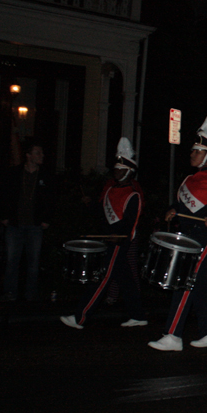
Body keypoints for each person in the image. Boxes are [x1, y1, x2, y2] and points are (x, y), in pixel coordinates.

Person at [148, 114, 207, 351]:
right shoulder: (188, 179)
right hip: (188, 236)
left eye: (196, 150)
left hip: (206, 238)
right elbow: (179, 205)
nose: (191, 154)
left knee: (185, 281)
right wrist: (171, 211)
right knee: (202, 285)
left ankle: (173, 335)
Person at [60, 138, 147, 329]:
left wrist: (120, 237)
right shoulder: (109, 190)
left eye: (120, 168)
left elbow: (131, 223)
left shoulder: (133, 194)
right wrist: (90, 204)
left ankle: (80, 317)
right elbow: (101, 214)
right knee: (125, 279)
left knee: (102, 277)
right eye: (115, 168)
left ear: (129, 171)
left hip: (118, 242)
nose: (116, 171)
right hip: (108, 241)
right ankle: (138, 315)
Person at [0, 138, 54, 302]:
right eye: (38, 152)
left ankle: (30, 295)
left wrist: (46, 219)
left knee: (33, 262)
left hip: (35, 225)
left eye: (42, 152)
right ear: (28, 155)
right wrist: (4, 216)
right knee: (12, 261)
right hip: (15, 224)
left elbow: (51, 198)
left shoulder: (45, 176)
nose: (41, 155)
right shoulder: (14, 173)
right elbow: (4, 194)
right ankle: (10, 292)